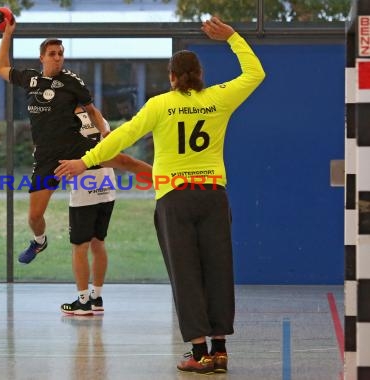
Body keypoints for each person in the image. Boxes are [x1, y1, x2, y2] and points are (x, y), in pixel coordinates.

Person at [55, 17, 265, 374]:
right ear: (200, 74)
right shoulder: (219, 98)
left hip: (175, 198)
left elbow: (121, 137)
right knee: (217, 269)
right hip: (213, 195)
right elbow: (255, 73)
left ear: (171, 77)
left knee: (185, 273)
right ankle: (220, 349)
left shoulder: (159, 105)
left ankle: (198, 354)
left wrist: (85, 161)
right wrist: (232, 37)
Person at [0, 18, 152, 265]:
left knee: (124, 161)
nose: (58, 58)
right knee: (34, 217)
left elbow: (92, 110)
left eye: (61, 54)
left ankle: (168, 183)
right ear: (42, 58)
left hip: (76, 148)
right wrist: (7, 34)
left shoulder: (72, 82)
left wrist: (104, 133)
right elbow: (0, 67)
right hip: (47, 158)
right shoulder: (30, 79)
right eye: (52, 54)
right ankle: (39, 242)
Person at [60, 107, 116, 316]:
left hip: (84, 194)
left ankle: (83, 301)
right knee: (98, 243)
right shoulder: (102, 121)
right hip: (107, 190)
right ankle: (96, 297)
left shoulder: (67, 126)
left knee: (79, 247)